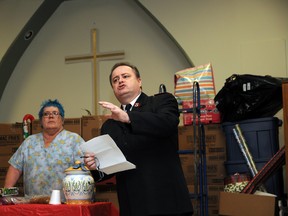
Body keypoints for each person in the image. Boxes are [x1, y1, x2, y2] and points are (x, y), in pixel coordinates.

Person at [84, 62, 193, 216]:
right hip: (132, 205)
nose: (120, 81)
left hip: (167, 203)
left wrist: (128, 117)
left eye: (125, 76)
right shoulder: (109, 125)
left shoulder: (161, 101)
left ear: (139, 81)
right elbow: (112, 165)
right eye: (115, 80)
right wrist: (97, 166)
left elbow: (167, 123)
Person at [4, 99, 84, 200]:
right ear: (41, 121)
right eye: (46, 114)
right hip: (32, 205)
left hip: (65, 205)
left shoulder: (74, 140)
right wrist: (6, 195)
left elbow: (85, 169)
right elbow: (15, 167)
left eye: (55, 113)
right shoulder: (29, 142)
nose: (50, 116)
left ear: (62, 120)